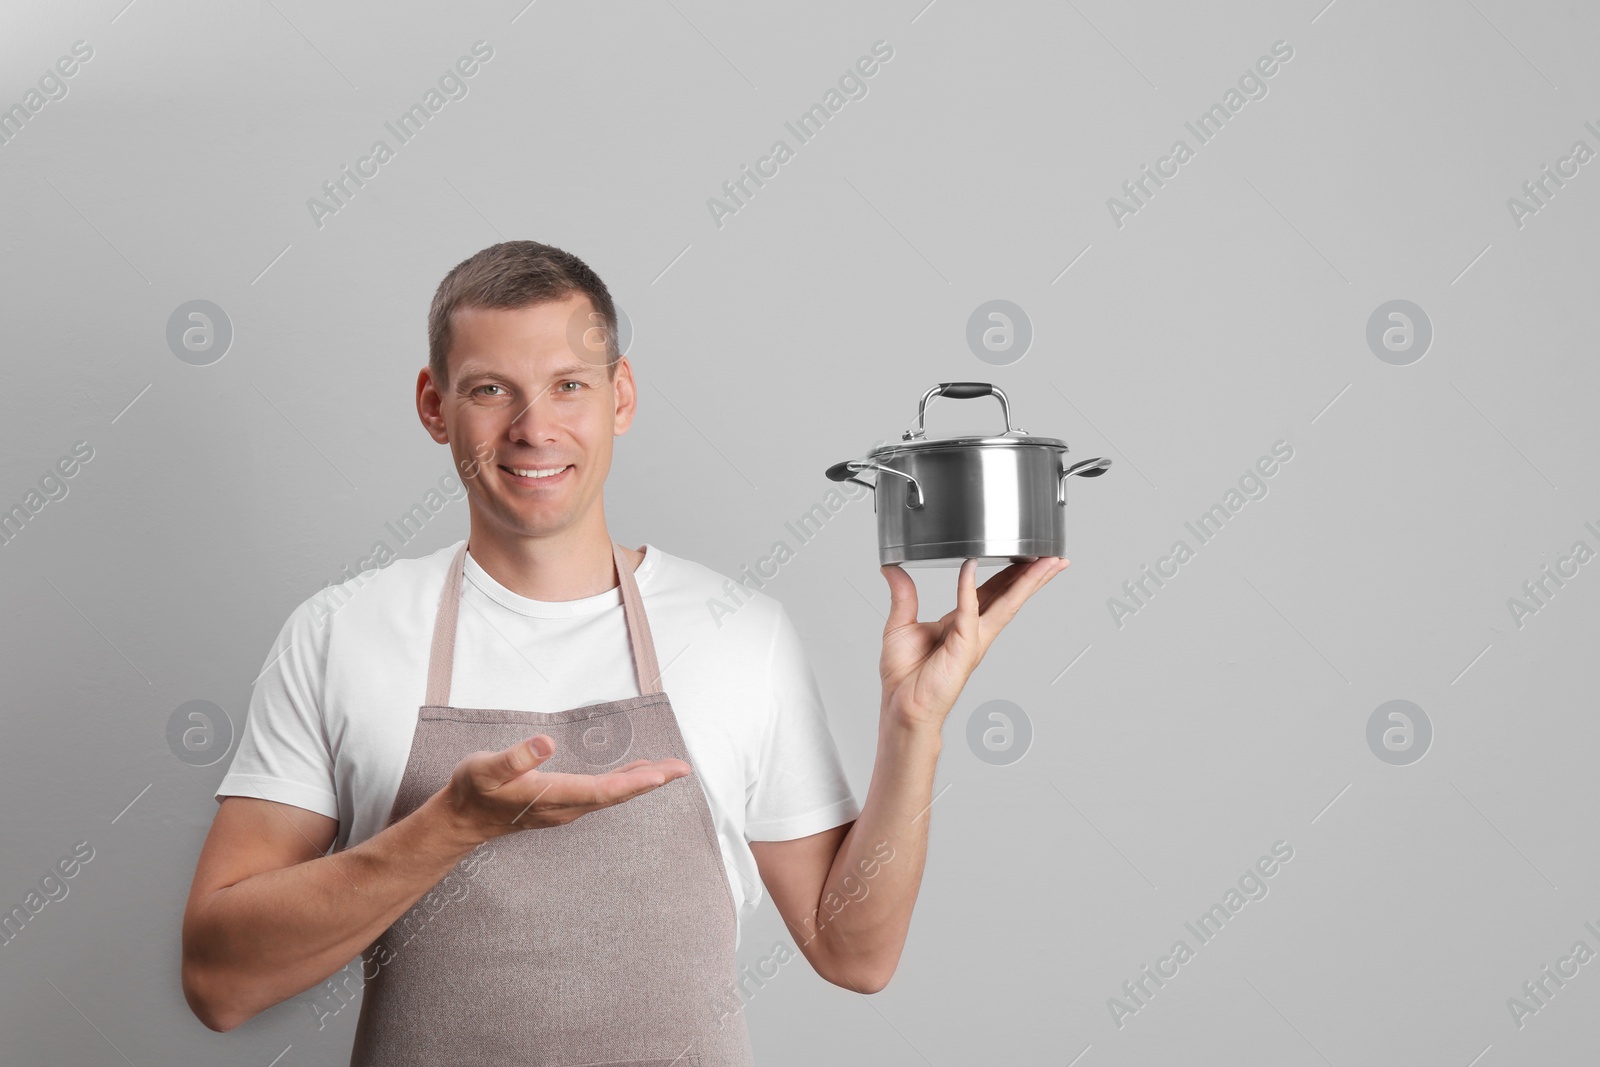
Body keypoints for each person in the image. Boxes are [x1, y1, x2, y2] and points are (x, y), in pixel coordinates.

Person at [179, 240, 1070, 1065]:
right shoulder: (341, 632)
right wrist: (448, 827)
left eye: (569, 385)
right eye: (490, 389)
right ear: (433, 406)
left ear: (622, 396)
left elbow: (855, 952)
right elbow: (220, 982)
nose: (534, 427)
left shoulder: (738, 632)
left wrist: (914, 725)